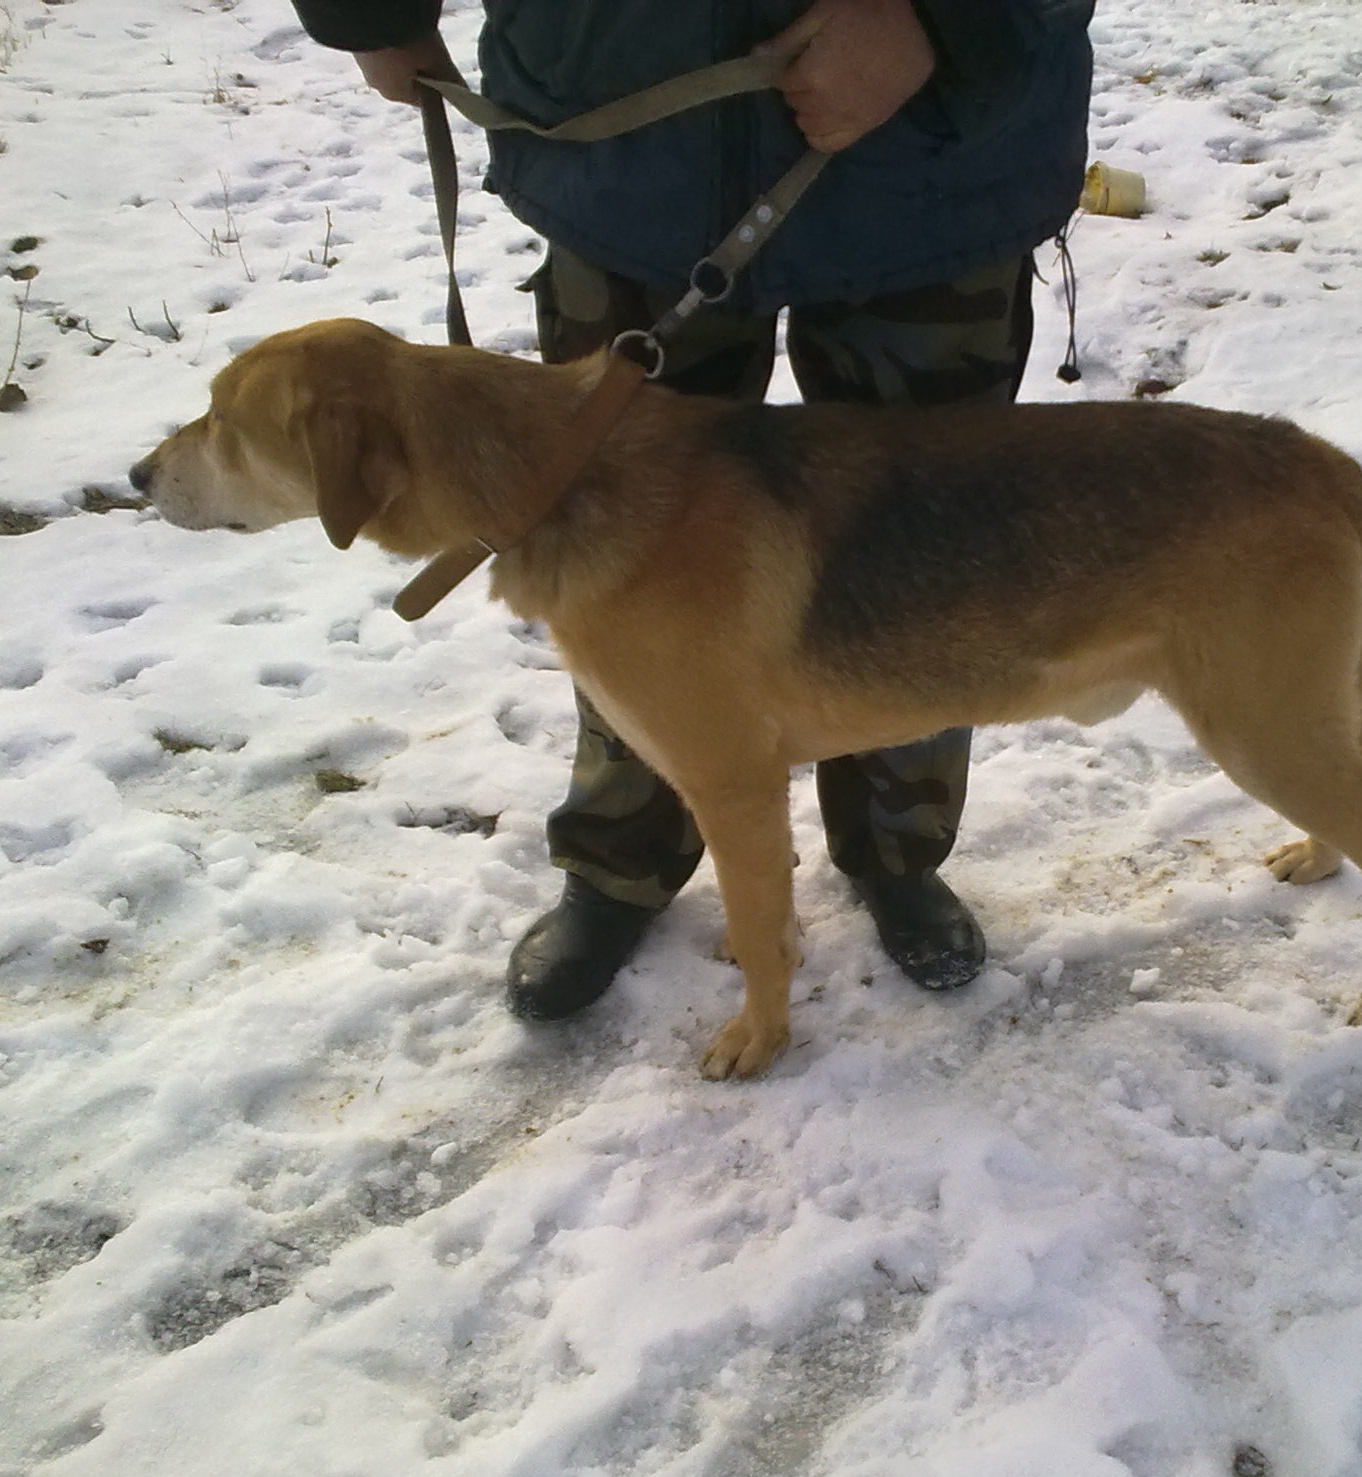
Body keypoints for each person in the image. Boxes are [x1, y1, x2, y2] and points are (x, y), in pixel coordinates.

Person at [288, 0, 1095, 1021]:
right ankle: (623, 858)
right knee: (618, 563)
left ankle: (897, 847)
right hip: (621, 134)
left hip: (932, 160)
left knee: (927, 559)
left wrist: (949, 21)